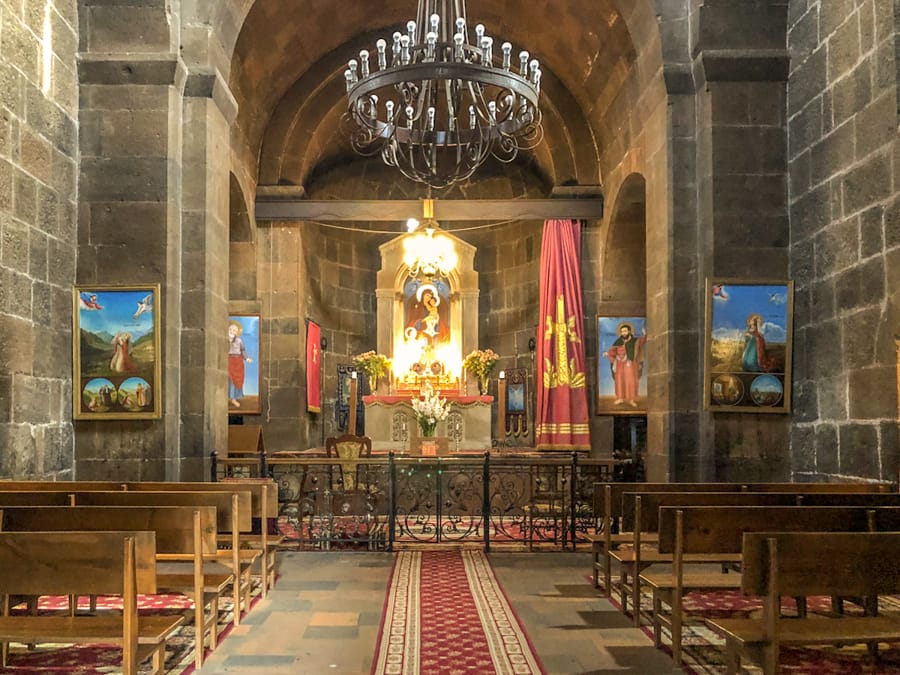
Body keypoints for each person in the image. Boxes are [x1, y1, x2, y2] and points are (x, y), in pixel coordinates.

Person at [602, 322, 647, 407]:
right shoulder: (618, 341)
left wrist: (644, 334)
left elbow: (643, 340)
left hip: (630, 363)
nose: (623, 333)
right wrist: (607, 354)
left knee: (631, 381)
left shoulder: (635, 341)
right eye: (622, 331)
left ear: (629, 331)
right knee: (619, 381)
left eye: (625, 331)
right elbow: (612, 351)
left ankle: (631, 399)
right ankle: (620, 398)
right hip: (619, 363)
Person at [228, 320, 253, 407]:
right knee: (230, 380)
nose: (232, 331)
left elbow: (242, 350)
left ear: (237, 332)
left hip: (238, 362)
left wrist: (246, 358)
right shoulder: (224, 339)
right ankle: (230, 398)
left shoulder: (239, 341)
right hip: (228, 361)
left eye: (234, 330)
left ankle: (234, 398)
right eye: (231, 329)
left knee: (237, 380)